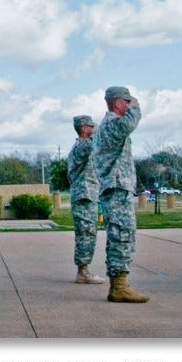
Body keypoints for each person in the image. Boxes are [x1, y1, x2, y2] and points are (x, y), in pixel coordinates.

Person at [93, 86, 148, 303]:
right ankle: (119, 286)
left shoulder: (106, 126)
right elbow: (129, 123)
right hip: (116, 187)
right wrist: (136, 106)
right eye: (127, 102)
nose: (130, 105)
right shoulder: (113, 124)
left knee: (120, 234)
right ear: (118, 103)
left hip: (116, 186)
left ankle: (119, 284)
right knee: (121, 235)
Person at [67, 114, 105, 284]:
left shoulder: (82, 146)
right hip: (84, 195)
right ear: (84, 129)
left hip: (87, 195)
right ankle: (83, 272)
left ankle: (84, 270)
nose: (94, 129)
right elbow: (95, 141)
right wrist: (99, 130)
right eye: (91, 126)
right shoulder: (82, 146)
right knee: (86, 234)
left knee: (88, 232)